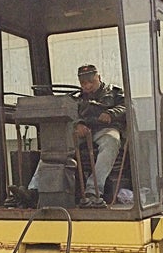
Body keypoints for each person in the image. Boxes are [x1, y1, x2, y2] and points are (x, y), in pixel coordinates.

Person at [7, 64, 125, 209]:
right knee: (55, 144)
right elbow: (72, 115)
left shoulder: (114, 93)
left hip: (105, 129)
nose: (87, 86)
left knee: (112, 140)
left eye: (91, 81)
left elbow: (126, 106)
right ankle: (34, 190)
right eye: (83, 83)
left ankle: (93, 191)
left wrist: (111, 113)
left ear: (99, 78)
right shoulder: (75, 100)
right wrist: (78, 124)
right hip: (83, 131)